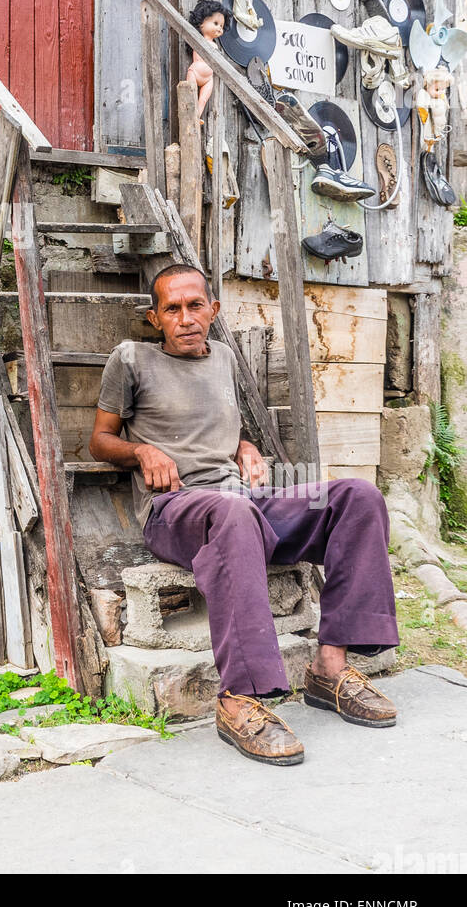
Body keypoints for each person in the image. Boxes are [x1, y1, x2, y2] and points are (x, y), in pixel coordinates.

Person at [88, 263, 399, 766]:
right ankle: (238, 699)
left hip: (242, 502)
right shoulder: (131, 360)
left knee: (357, 497)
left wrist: (244, 446)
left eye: (195, 306)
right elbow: (99, 441)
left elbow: (211, 430)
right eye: (172, 309)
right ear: (154, 318)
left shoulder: (225, 359)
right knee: (233, 512)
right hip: (176, 511)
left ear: (213, 310)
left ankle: (330, 667)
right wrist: (142, 452)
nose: (186, 318)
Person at [185, 0, 226, 119]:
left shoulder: (215, 45)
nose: (219, 28)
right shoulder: (200, 40)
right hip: (195, 72)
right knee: (190, 94)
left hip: (208, 79)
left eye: (222, 26)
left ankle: (196, 117)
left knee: (202, 100)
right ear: (201, 22)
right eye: (216, 23)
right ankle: (188, 116)